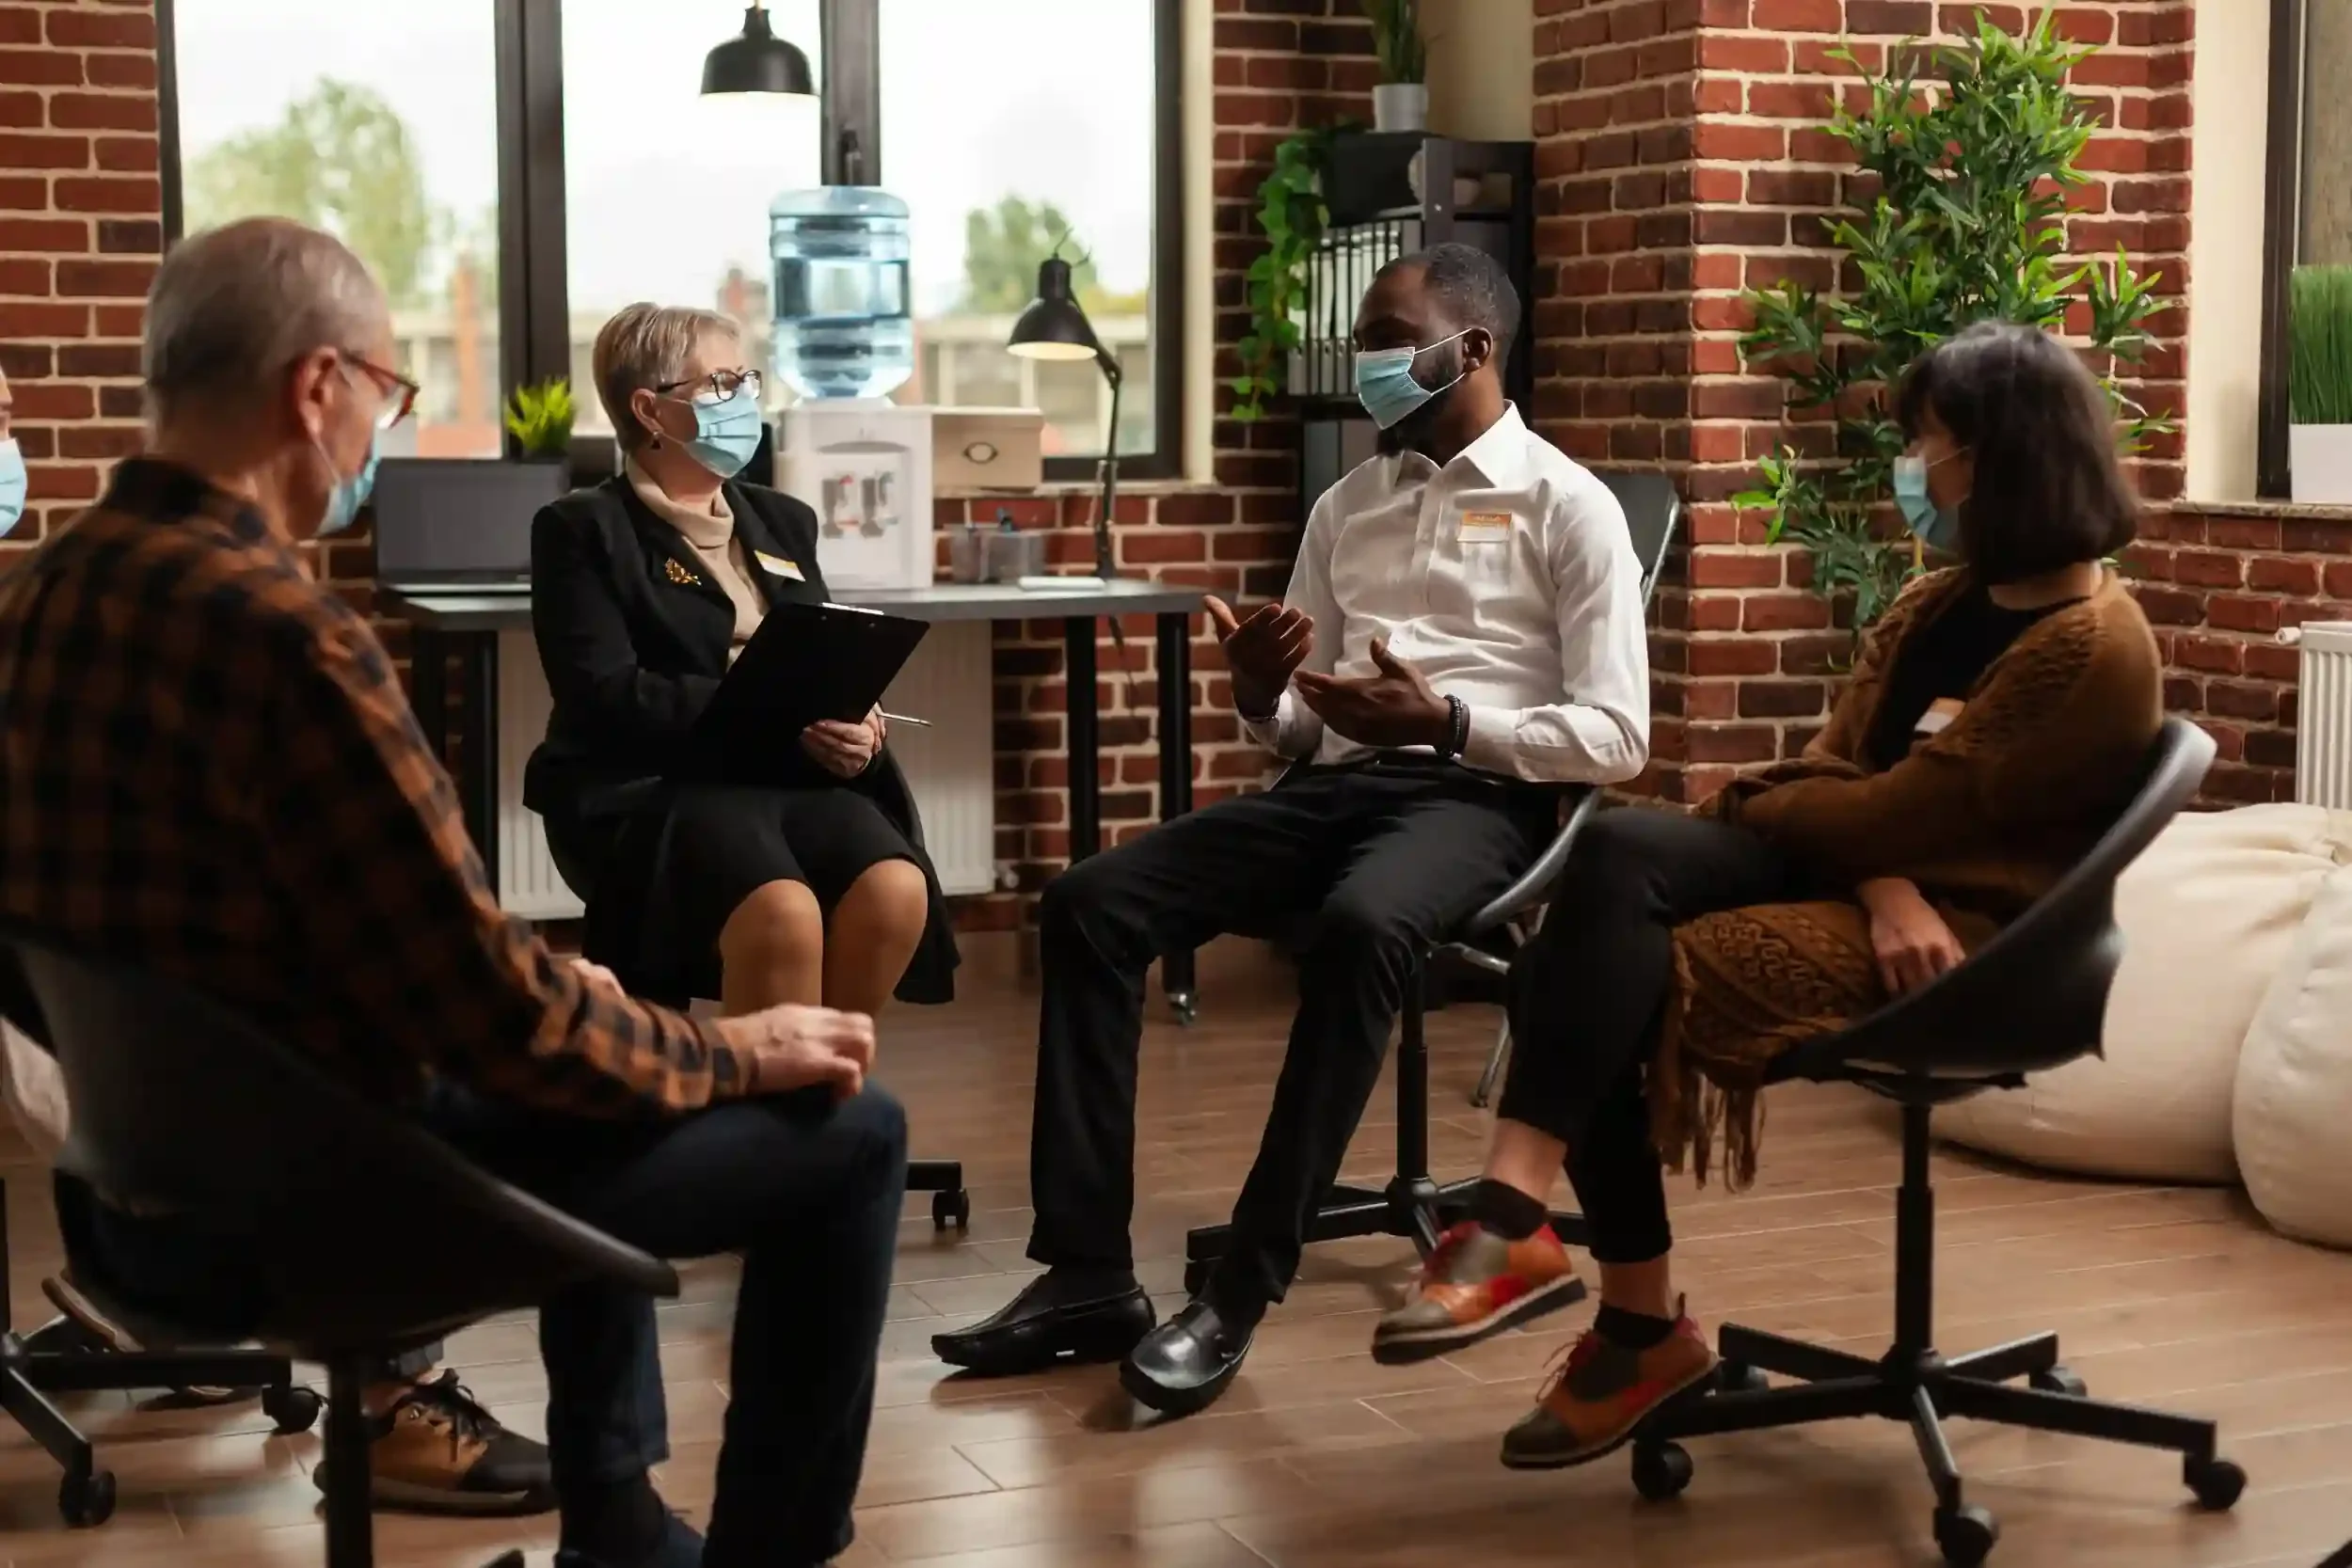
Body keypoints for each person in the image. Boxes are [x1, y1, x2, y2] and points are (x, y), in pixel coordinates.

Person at [0, 216, 902, 1568]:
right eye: (386, 390)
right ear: (317, 386)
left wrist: (579, 1002)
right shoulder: (288, 640)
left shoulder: (39, 601)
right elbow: (497, 1018)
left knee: (590, 1023)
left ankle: (615, 1520)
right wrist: (728, 1047)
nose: (380, 430)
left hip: (131, 1200)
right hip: (320, 1200)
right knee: (852, 1128)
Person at [1370, 320, 2164, 1471]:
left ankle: (1618, 1313)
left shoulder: (2090, 648)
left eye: (1925, 444)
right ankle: (1530, 1233)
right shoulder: (1939, 603)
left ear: (1995, 459)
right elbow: (1846, 781)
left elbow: (1871, 802)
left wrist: (1799, 815)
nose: (1911, 470)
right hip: (1882, 891)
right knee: (1611, 859)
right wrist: (1878, 874)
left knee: (1590, 971)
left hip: (1977, 940)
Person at [936, 243, 1652, 1418]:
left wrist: (1448, 720)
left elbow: (1618, 736)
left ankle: (1238, 1292)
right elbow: (1300, 728)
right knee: (1089, 902)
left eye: (1387, 339)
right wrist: (1259, 691)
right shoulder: (1347, 503)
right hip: (1333, 788)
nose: (1364, 362)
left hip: (1478, 797)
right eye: (1362, 341)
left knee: (1362, 924)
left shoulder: (1567, 505)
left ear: (1472, 347)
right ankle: (1086, 1273)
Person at [0, 358, 555, 1517]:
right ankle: (389, 1394)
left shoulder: (36, 603)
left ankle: (181, 1285)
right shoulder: (91, 610)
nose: (10, 441)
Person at [525, 302, 956, 1024]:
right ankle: (754, 1089)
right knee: (781, 911)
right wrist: (765, 705)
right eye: (721, 384)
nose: (744, 401)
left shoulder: (783, 520)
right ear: (650, 409)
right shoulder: (583, 528)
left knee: (894, 888)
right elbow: (604, 695)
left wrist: (858, 720)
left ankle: (825, 1085)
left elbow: (819, 655)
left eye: (746, 381)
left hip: (786, 773)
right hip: (662, 781)